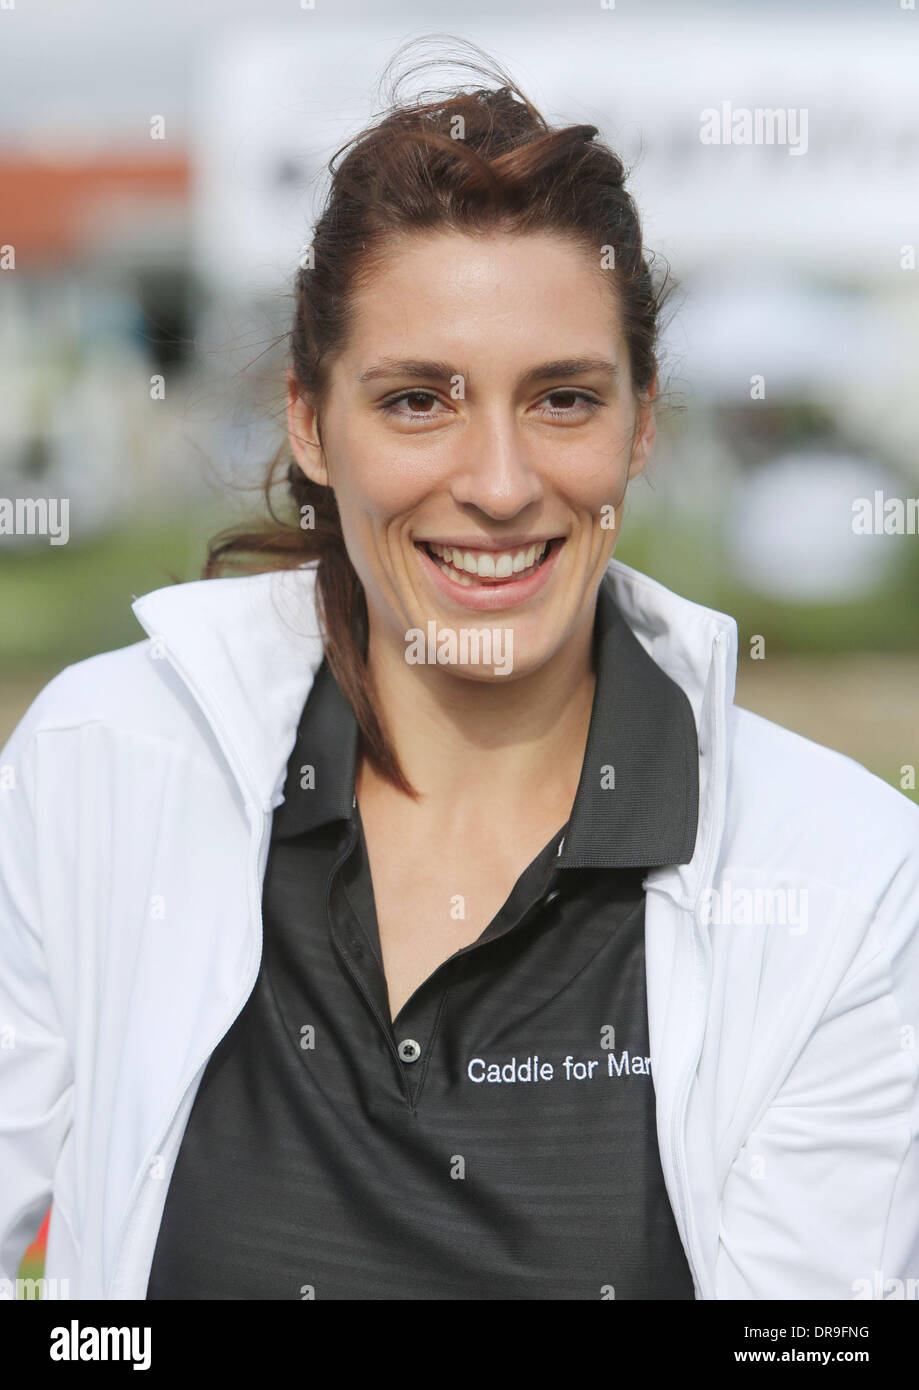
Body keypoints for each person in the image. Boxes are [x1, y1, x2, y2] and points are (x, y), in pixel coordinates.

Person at [1, 40, 918, 1302]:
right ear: (310, 424)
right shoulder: (96, 768)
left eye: (562, 400)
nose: (496, 484)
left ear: (642, 423)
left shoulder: (848, 876)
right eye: (418, 400)